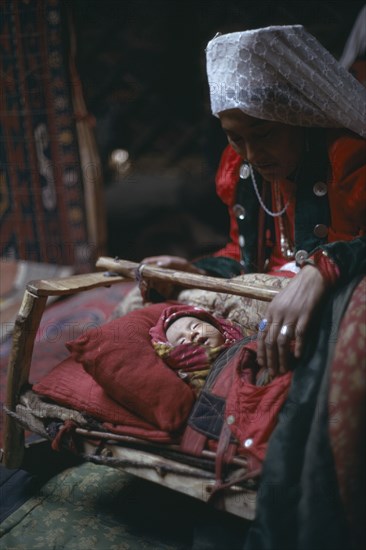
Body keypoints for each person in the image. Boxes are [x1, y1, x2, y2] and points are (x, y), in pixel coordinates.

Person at [139, 24, 365, 550]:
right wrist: (190, 269)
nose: (249, 152)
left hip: (326, 306)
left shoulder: (345, 158)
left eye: (262, 134)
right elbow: (248, 260)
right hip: (265, 298)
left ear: (298, 114)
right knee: (149, 319)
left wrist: (323, 268)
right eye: (233, 136)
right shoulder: (243, 169)